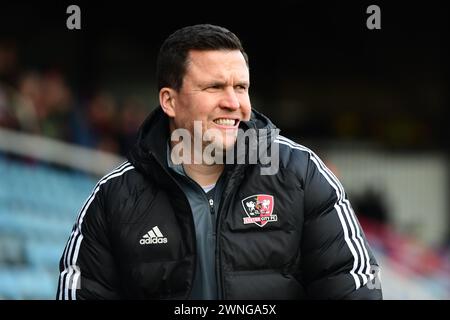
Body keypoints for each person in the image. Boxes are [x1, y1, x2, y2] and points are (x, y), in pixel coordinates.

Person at [56, 24, 382, 300]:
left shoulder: (302, 173)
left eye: (241, 87)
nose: (233, 103)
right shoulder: (114, 197)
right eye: (214, 87)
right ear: (169, 101)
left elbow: (354, 283)